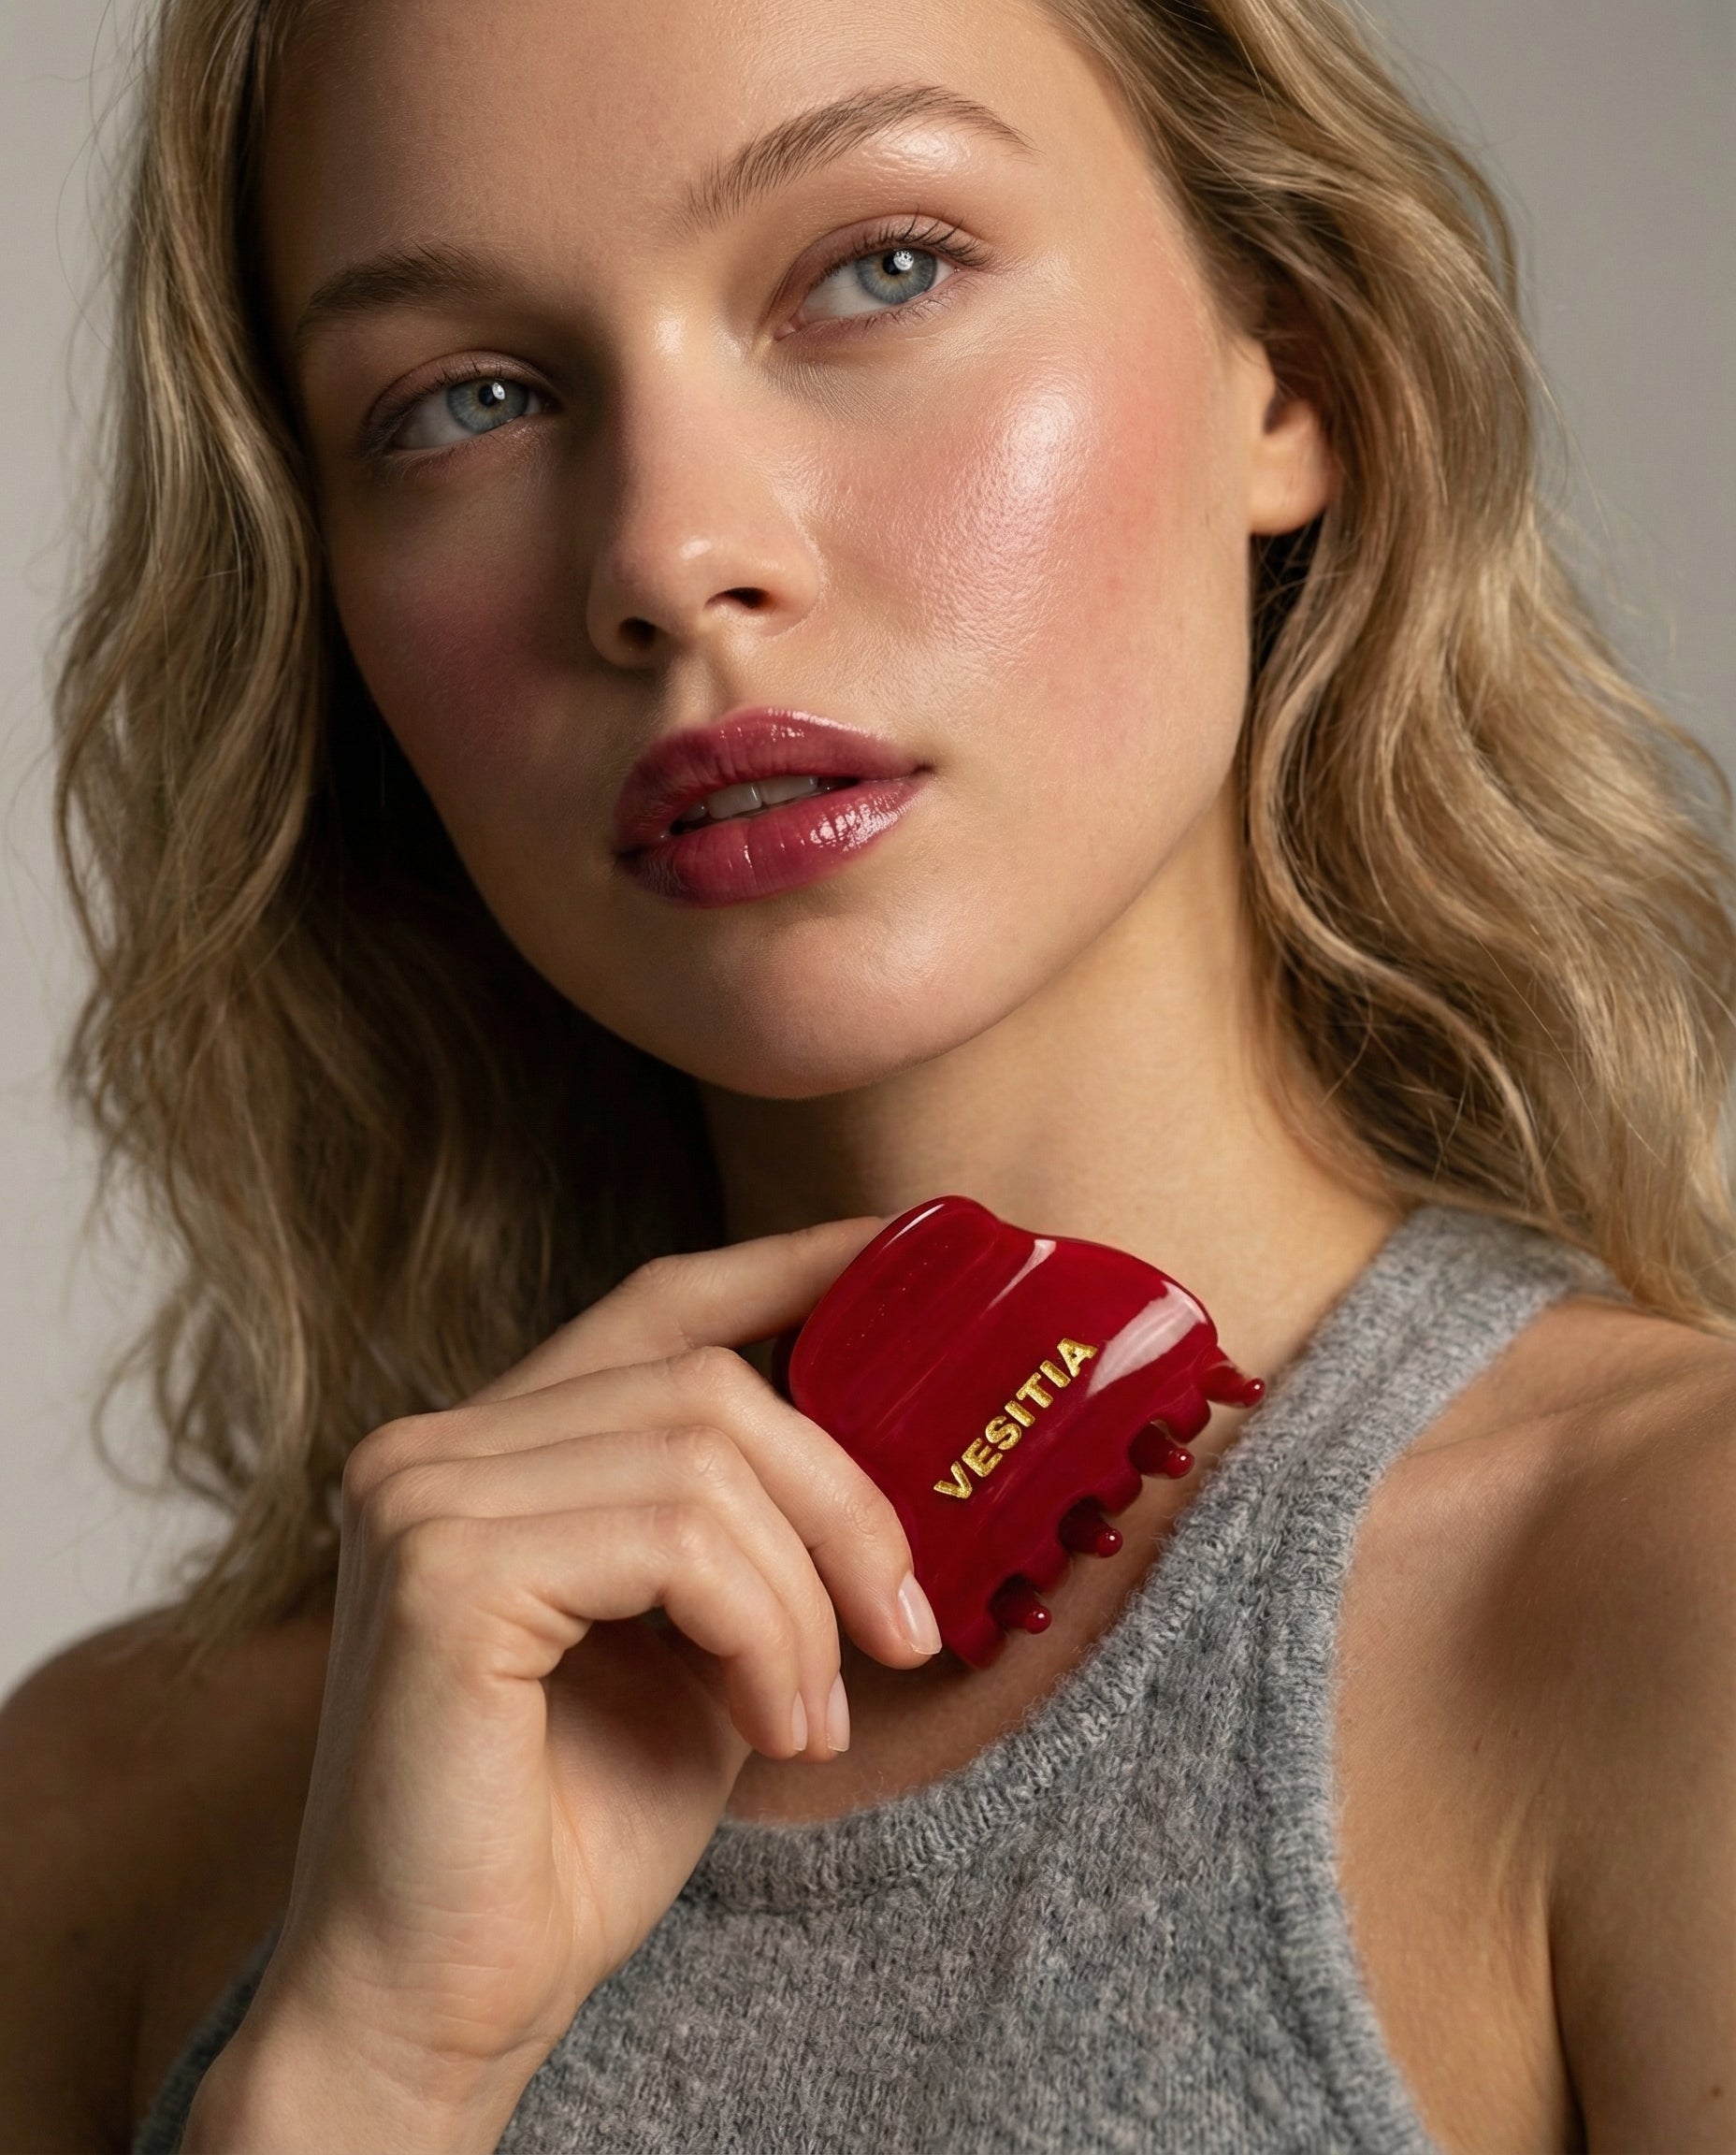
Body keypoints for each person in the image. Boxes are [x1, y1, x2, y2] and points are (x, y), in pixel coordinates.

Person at [2, 0, 1731, 2146]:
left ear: (1290, 368)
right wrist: (365, 2067)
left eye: (877, 270)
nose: (664, 556)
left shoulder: (1665, 1601)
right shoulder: (104, 1823)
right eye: (465, 400)